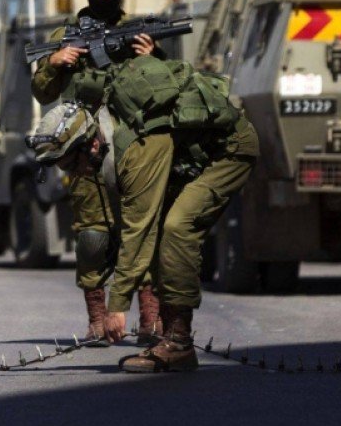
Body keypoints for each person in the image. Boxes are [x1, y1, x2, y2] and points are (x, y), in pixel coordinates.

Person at [30, 56, 259, 372]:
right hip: (194, 158)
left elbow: (138, 229)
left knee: (177, 228)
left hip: (228, 151)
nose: (73, 173)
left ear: (90, 144)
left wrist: (117, 306)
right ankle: (169, 336)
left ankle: (178, 344)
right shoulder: (110, 138)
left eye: (70, 164)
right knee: (163, 229)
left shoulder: (134, 150)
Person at [30, 0, 161, 347]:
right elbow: (42, 92)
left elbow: (164, 89)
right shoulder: (64, 36)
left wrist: (150, 58)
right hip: (87, 148)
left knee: (142, 230)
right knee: (92, 237)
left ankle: (150, 319)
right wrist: (56, 61)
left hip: (134, 144)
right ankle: (97, 321)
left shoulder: (138, 32)